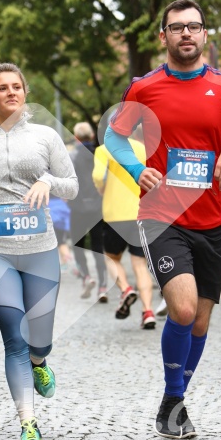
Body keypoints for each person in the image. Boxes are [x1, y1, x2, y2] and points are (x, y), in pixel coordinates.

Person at [105, 0, 221, 439]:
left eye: (194, 27)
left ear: (204, 35)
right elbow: (113, 136)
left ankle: (172, 399)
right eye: (177, 28)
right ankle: (175, 403)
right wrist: (138, 170)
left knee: (199, 321)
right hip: (162, 216)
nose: (186, 34)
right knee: (181, 308)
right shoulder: (144, 88)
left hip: (212, 220)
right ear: (164, 36)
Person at [0, 62, 78, 440]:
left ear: (25, 91)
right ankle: (28, 424)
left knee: (38, 340)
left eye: (17, 86)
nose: (11, 92)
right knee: (15, 339)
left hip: (40, 250)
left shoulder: (45, 136)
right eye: (2, 88)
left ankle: (42, 361)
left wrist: (46, 181)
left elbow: (72, 186)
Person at [93, 126, 156, 328]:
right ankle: (148, 312)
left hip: (115, 214)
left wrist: (102, 190)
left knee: (111, 258)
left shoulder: (104, 150)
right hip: (141, 212)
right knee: (140, 264)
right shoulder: (142, 148)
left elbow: (97, 176)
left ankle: (126, 289)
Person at [69, 122, 108, 302]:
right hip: (97, 207)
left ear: (76, 137)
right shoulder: (99, 155)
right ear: (92, 136)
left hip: (77, 208)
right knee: (98, 246)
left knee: (77, 244)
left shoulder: (72, 157)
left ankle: (86, 277)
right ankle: (102, 286)